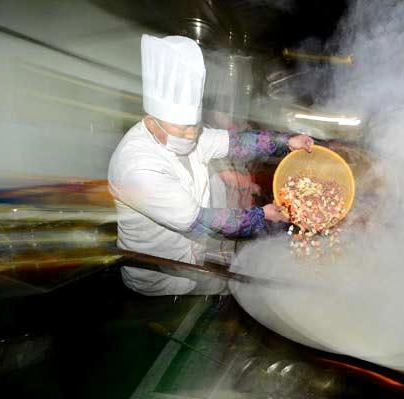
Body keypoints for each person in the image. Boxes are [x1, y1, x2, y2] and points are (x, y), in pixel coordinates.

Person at [108, 34, 313, 296]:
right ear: (151, 123)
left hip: (193, 257)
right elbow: (201, 220)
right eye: (182, 129)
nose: (192, 135)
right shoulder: (137, 169)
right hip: (160, 277)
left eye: (194, 126)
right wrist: (263, 216)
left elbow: (236, 141)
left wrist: (286, 142)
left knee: (224, 288)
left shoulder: (187, 134)